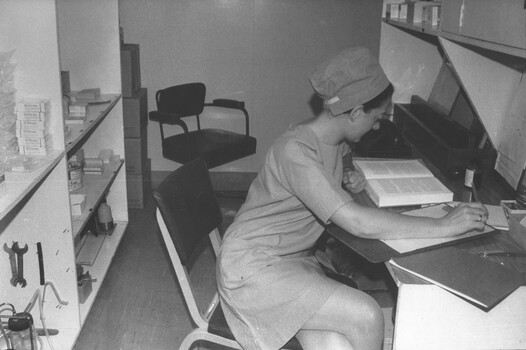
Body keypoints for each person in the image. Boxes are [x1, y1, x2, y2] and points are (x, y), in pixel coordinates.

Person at [216, 47, 488, 350]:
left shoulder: (332, 140)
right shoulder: (294, 151)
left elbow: (339, 159)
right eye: (377, 117)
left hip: (292, 261)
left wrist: (348, 174)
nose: (376, 126)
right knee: (368, 315)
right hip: (252, 269)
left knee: (336, 344)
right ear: (356, 112)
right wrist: (443, 226)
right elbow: (356, 222)